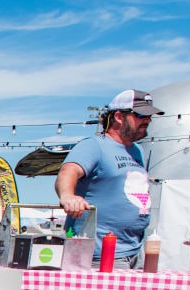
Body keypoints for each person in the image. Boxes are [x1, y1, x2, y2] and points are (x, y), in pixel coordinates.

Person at [56, 89, 163, 268]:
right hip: (100, 256)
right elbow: (68, 171)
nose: (148, 120)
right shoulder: (94, 145)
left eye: (149, 116)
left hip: (134, 252)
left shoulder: (137, 151)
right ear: (119, 116)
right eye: (141, 115)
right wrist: (68, 196)